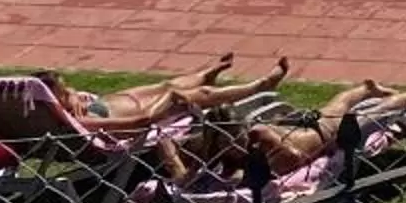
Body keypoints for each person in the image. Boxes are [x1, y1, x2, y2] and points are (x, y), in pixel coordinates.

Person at [164, 81, 406, 183]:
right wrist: (177, 168)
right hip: (297, 127)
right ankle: (366, 88)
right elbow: (170, 150)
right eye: (227, 140)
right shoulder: (214, 148)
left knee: (371, 112)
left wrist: (260, 166)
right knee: (336, 106)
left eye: (236, 137)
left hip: (324, 135)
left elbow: (294, 158)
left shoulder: (258, 135)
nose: (235, 144)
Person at [41, 56, 289, 135]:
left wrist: (74, 97)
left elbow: (69, 94)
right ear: (55, 99)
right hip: (145, 112)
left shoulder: (60, 108)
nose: (70, 91)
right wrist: (166, 103)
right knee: (192, 94)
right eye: (64, 92)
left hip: (128, 98)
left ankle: (206, 73)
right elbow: (137, 123)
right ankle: (261, 86)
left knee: (167, 83)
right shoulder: (79, 122)